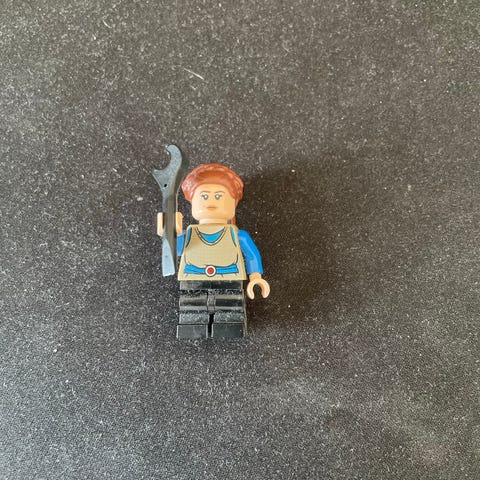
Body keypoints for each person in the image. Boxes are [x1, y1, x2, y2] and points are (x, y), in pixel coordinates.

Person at [157, 163, 270, 339]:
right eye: (204, 196)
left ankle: (229, 327)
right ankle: (192, 327)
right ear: (193, 201)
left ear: (233, 203)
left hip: (229, 278)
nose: (211, 202)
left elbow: (251, 255)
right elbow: (176, 251)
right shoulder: (188, 235)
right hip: (193, 278)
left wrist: (256, 277)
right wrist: (170, 234)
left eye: (219, 196)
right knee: (192, 308)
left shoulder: (237, 235)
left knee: (230, 308)